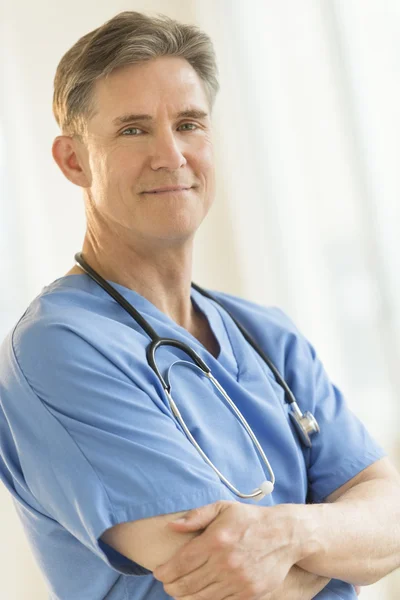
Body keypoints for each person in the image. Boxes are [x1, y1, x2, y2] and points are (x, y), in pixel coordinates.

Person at [0, 9, 399, 600]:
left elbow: (390, 521)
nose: (172, 154)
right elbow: (228, 585)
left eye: (189, 123)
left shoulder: (265, 335)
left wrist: (286, 533)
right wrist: (342, 543)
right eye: (134, 129)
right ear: (74, 160)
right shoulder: (58, 349)